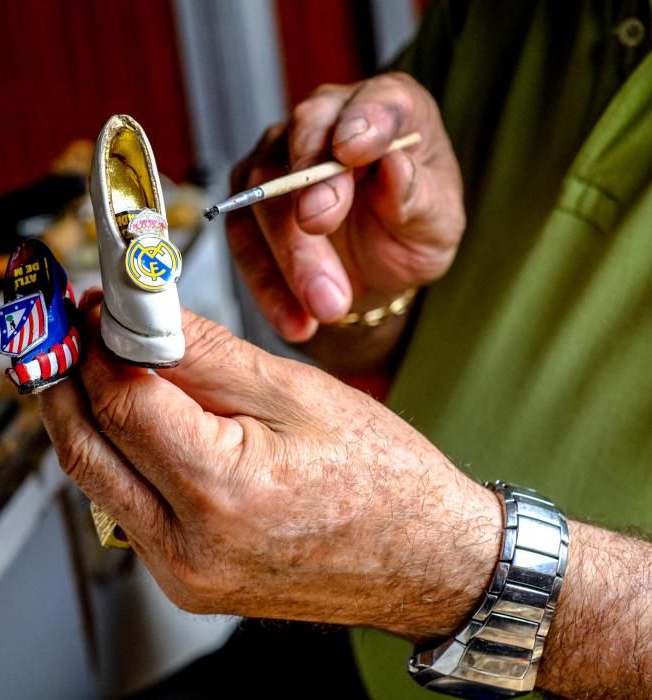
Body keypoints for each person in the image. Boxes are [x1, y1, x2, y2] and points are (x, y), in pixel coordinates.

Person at [41, 1, 652, 697]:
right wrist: (366, 294)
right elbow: (370, 330)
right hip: (354, 635)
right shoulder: (507, 18)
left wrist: (450, 567)